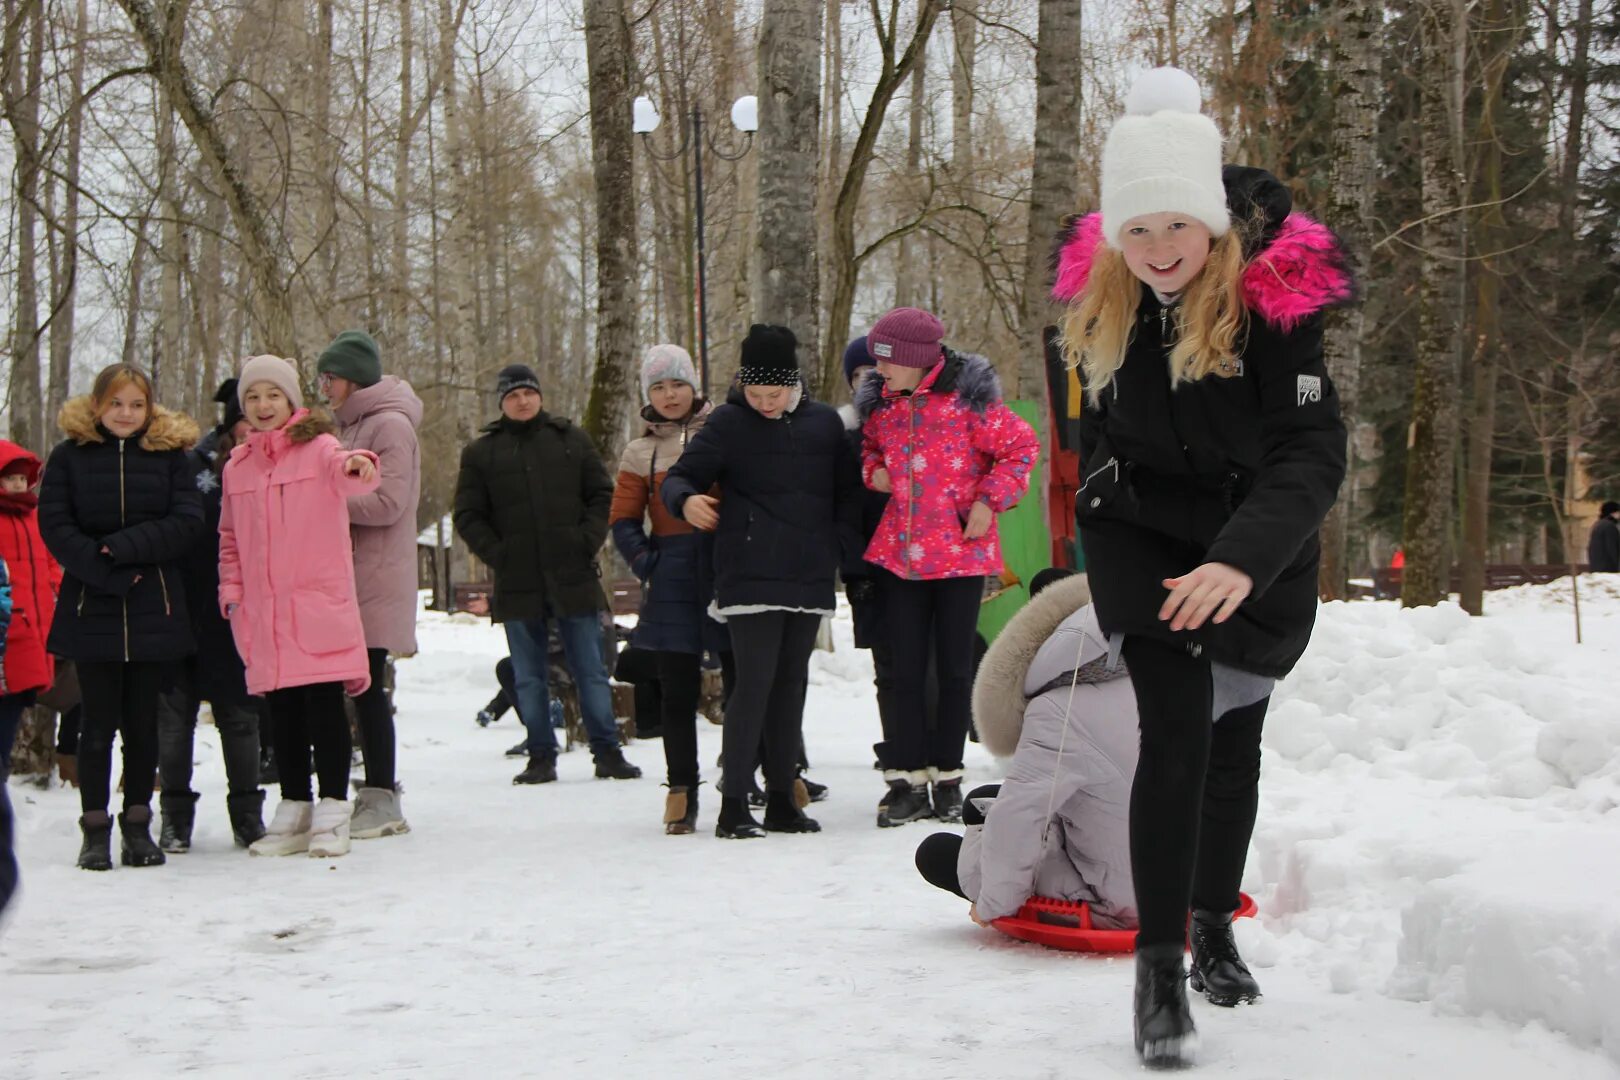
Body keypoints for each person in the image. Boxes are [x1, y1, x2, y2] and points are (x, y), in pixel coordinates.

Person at [1051, 68, 1352, 1065]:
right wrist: (1099, 516)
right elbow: (1091, 438)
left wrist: (1240, 560)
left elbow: (1309, 452)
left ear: (1213, 220)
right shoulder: (1103, 303)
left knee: (1233, 746)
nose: (1158, 249)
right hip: (1140, 531)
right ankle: (1159, 973)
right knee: (1174, 730)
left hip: (1252, 536)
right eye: (1136, 231)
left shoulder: (1274, 302)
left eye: (1176, 226)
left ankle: (1215, 920)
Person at [661, 324, 862, 838]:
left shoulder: (823, 426)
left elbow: (848, 495)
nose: (765, 403)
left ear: (793, 384)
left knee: (790, 686)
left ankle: (781, 798)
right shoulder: (728, 423)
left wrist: (837, 548)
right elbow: (681, 477)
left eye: (774, 394)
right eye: (755, 393)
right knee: (752, 685)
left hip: (809, 574)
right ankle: (733, 804)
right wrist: (686, 500)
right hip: (748, 573)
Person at [855, 307, 1039, 827]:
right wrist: (876, 473)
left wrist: (989, 501)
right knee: (905, 671)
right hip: (901, 558)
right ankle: (909, 781)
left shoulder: (970, 402)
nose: (880, 370)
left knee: (956, 671)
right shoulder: (883, 407)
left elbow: (1021, 449)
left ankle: (949, 777)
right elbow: (868, 450)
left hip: (961, 554)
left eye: (888, 361)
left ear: (917, 360)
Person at [39, 363, 204, 871]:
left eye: (136, 404)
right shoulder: (70, 457)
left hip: (154, 603)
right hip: (93, 605)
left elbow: (187, 520)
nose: (126, 414)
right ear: (97, 406)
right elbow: (55, 524)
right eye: (116, 403)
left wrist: (120, 549)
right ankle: (94, 828)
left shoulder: (171, 458)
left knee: (143, 725)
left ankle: (138, 824)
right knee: (95, 725)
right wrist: (104, 568)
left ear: (149, 408)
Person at [914, 572, 1145, 929]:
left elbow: (1020, 816)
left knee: (939, 850)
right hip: (1189, 881)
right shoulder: (1159, 674)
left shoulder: (1059, 708)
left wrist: (992, 903)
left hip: (1124, 902)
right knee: (987, 800)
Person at [219, 355, 380, 858]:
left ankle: (333, 802)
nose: (263, 405)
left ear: (291, 400)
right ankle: (294, 803)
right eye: (252, 397)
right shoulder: (237, 465)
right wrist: (233, 595)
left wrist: (361, 464)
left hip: (315, 604)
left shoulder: (320, 447)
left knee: (324, 703)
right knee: (281, 709)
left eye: (272, 395)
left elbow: (353, 474)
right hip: (263, 611)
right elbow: (229, 539)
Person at [453, 364, 641, 785]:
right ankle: (541, 754)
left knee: (591, 669)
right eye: (513, 394)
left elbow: (601, 495)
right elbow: (467, 514)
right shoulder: (482, 453)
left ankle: (607, 751)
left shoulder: (570, 440)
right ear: (502, 402)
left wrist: (584, 540)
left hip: (573, 575)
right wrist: (498, 553)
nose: (522, 400)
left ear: (539, 396)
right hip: (517, 582)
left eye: (528, 392)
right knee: (529, 674)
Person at [610, 345, 725, 833]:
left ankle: (765, 773)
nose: (670, 394)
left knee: (745, 678)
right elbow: (622, 519)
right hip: (672, 572)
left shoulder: (723, 431)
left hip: (725, 565)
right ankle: (682, 790)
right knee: (676, 687)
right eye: (658, 387)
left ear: (693, 386)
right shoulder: (639, 451)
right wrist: (646, 561)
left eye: (677, 384)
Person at [318, 330, 422, 838]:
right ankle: (354, 791)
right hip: (345, 575)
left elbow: (388, 502)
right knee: (349, 687)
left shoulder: (390, 425)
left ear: (352, 377)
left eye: (329, 377)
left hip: (376, 576)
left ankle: (383, 795)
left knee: (369, 687)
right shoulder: (348, 425)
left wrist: (321, 504)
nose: (323, 386)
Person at [155, 379, 266, 852]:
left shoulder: (271, 464)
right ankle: (175, 818)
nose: (250, 429)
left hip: (238, 616)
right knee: (174, 723)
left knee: (240, 720)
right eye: (244, 419)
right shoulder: (190, 466)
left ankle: (247, 814)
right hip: (181, 609)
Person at [0, 440, 59, 774]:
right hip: (8, 628)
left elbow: (50, 561)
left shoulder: (36, 517)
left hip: (35, 631)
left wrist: (58, 592)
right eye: (11, 479)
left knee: (15, 709)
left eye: (23, 479)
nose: (18, 485)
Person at [1588, 501, 1619, 573]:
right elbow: (1612, 548)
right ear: (1613, 513)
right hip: (1607, 568)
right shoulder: (1609, 526)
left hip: (1597, 567)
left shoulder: (1598, 525)